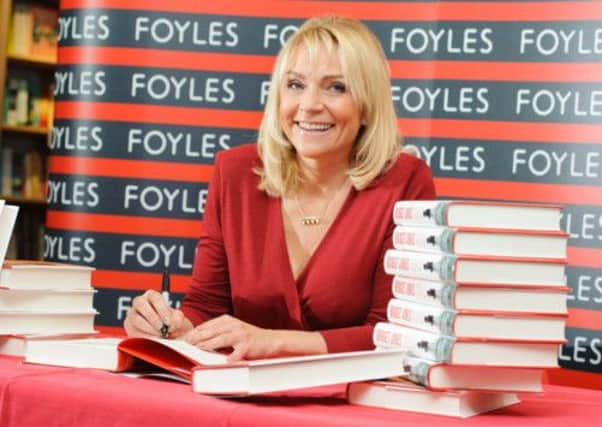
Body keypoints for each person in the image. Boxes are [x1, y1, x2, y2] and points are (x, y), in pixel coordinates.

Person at [124, 16, 436, 361]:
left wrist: (273, 342)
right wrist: (170, 326)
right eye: (295, 84)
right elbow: (206, 307)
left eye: (336, 87)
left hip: (345, 405)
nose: (309, 104)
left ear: (367, 106)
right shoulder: (235, 172)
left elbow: (395, 332)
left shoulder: (405, 181)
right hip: (240, 400)